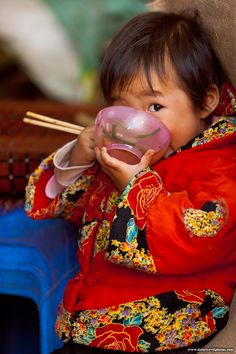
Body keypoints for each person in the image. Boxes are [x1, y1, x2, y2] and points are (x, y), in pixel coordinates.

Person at [25, 11, 236, 353]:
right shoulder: (124, 158)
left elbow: (200, 236)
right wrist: (79, 157)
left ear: (206, 101)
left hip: (165, 325)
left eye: (154, 105)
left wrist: (136, 185)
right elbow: (72, 207)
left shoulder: (220, 165)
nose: (135, 121)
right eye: (120, 106)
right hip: (97, 318)